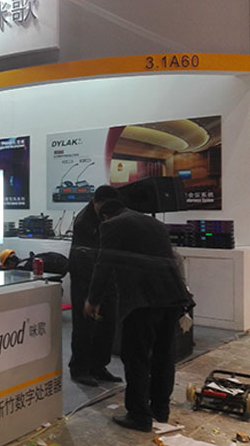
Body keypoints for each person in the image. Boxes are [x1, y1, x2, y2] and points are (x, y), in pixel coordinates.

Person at [85, 199, 193, 432]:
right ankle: (160, 410)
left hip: (142, 302)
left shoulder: (111, 225)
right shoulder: (154, 223)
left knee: (136, 357)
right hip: (172, 296)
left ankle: (139, 416)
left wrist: (93, 300)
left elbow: (104, 263)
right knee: (164, 356)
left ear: (105, 215)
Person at [68, 185, 121, 387]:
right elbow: (86, 260)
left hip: (106, 277)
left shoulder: (110, 215)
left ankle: (99, 366)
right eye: (103, 206)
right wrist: (92, 296)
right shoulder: (84, 222)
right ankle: (79, 368)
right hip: (85, 279)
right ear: (94, 202)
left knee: (108, 325)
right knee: (84, 326)